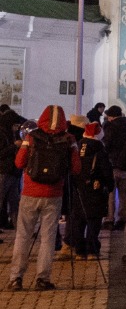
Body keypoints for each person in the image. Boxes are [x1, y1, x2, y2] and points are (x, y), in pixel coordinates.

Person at [7, 105, 81, 292]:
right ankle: (43, 278)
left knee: (23, 236)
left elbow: (19, 162)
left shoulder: (31, 137)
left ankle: (16, 278)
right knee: (48, 239)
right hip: (53, 194)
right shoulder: (69, 139)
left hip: (30, 193)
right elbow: (76, 169)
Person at [67, 120, 111, 259]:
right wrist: (109, 186)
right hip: (95, 190)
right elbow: (106, 171)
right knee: (93, 221)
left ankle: (79, 251)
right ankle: (92, 250)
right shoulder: (99, 148)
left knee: (78, 221)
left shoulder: (78, 146)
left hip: (78, 189)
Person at [102, 105, 126, 236]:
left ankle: (110, 219)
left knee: (111, 194)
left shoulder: (110, 127)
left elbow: (107, 144)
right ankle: (122, 219)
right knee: (124, 194)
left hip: (113, 165)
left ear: (111, 116)